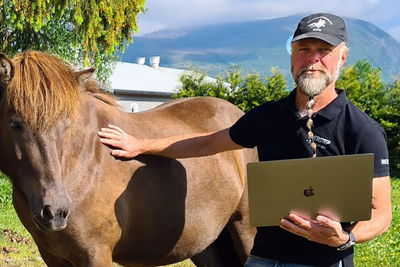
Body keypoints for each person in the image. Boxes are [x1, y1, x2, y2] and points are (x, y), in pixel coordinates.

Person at [98, 13, 392, 267]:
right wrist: (141, 145)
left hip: (325, 261)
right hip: (262, 258)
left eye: (324, 50)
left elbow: (381, 214)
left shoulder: (362, 130)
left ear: (342, 57)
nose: (313, 59)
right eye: (304, 49)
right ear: (292, 56)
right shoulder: (269, 116)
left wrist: (345, 238)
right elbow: (207, 143)